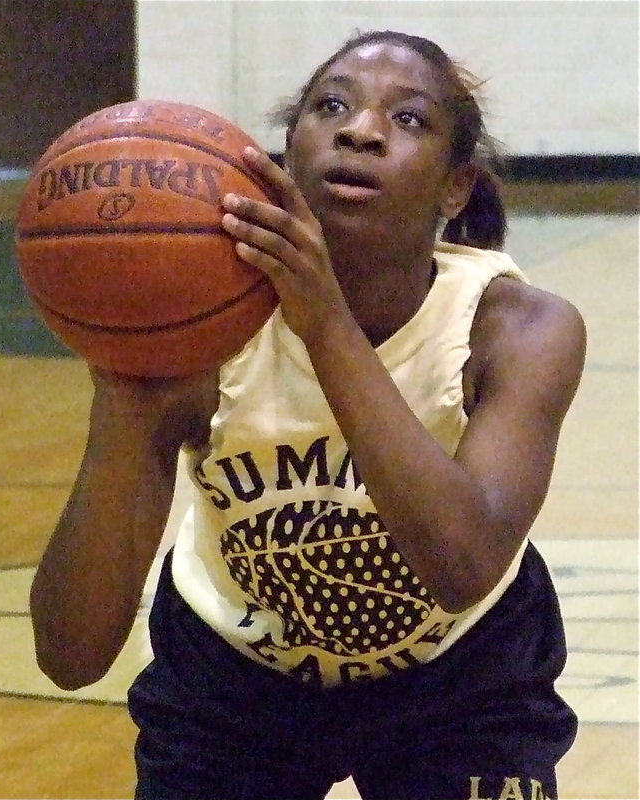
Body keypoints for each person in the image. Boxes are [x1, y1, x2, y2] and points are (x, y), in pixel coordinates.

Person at [30, 29, 586, 800]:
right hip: (235, 674)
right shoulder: (199, 332)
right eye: (331, 106)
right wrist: (123, 403)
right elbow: (71, 653)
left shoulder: (519, 329)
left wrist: (324, 322)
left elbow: (461, 568)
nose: (360, 129)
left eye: (408, 120)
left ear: (455, 188)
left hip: (460, 674)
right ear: (285, 154)